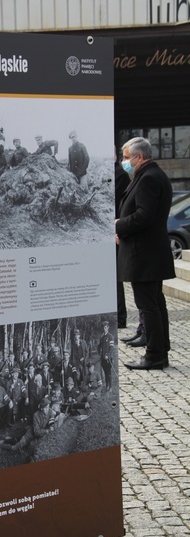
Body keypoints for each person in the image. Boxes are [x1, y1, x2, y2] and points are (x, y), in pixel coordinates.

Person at [115, 136, 175, 370]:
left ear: (139, 157)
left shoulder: (149, 178)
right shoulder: (150, 175)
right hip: (149, 253)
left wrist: (119, 224)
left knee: (148, 305)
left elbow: (144, 216)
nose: (124, 161)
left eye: (127, 157)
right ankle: (161, 349)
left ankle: (154, 355)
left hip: (145, 255)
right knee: (155, 303)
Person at [115, 148, 131, 328]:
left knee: (116, 278)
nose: (124, 160)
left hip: (117, 231)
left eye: (126, 157)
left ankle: (120, 317)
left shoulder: (120, 174)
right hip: (116, 229)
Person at [98, 321, 115, 390]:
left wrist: (107, 355)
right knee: (105, 373)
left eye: (105, 327)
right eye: (103, 327)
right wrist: (100, 354)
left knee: (109, 373)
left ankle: (110, 386)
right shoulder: (102, 338)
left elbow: (111, 348)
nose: (104, 329)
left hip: (108, 358)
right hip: (102, 359)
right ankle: (107, 385)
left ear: (108, 328)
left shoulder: (110, 336)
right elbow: (98, 347)